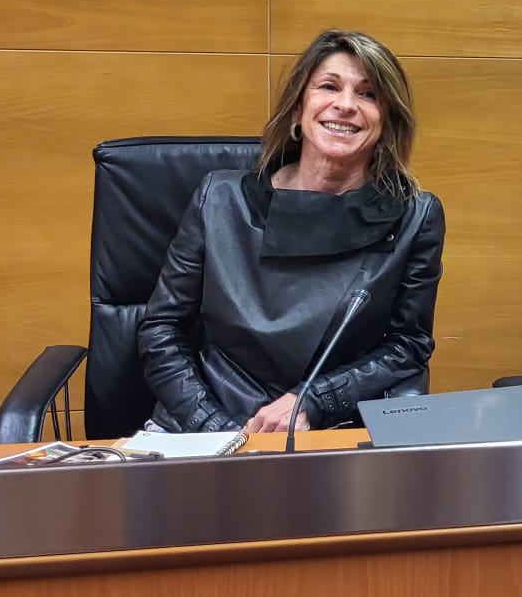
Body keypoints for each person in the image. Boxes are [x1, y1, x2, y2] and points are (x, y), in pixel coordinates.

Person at [138, 29, 443, 432]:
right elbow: (161, 329)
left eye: (368, 94)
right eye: (329, 86)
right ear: (298, 109)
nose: (345, 105)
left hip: (324, 429)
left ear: (386, 122)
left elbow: (407, 345)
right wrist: (217, 428)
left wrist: (313, 402)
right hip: (201, 426)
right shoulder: (219, 198)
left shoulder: (414, 217)